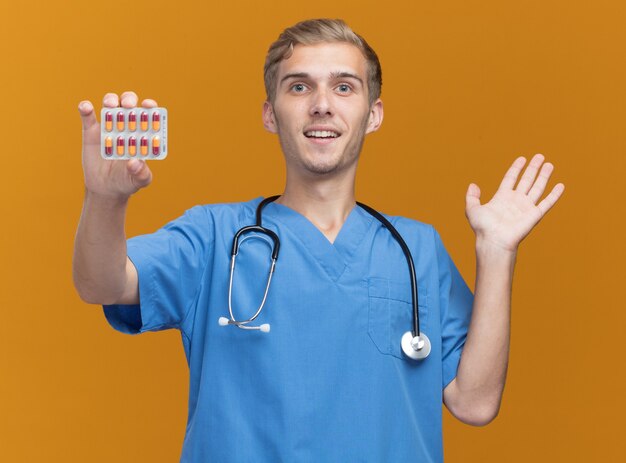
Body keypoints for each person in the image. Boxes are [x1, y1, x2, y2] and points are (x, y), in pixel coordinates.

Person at [73, 18, 564, 462]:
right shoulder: (214, 236)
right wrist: (104, 198)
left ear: (373, 115)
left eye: (344, 87)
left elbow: (474, 403)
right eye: (300, 86)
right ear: (270, 114)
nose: (322, 105)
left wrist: (497, 253)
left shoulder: (417, 249)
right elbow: (102, 284)